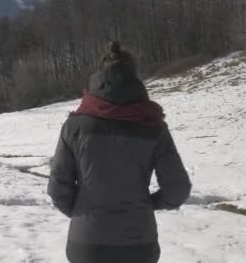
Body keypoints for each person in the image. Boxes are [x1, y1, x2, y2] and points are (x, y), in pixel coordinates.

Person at [47, 41, 192, 263]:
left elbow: (58, 188)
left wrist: (80, 212)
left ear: (99, 77)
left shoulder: (74, 126)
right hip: (138, 245)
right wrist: (149, 203)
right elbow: (178, 188)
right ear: (135, 77)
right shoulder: (153, 126)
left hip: (86, 245)